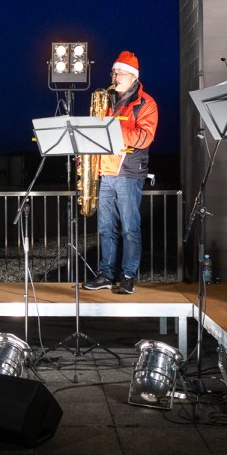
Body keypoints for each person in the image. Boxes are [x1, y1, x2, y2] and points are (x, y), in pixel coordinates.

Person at [83, 51, 158, 294]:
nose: (115, 77)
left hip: (128, 173)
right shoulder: (106, 102)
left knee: (129, 228)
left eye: (120, 73)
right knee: (105, 228)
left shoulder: (146, 103)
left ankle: (127, 275)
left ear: (133, 77)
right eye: (113, 72)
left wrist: (112, 128)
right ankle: (105, 273)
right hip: (105, 172)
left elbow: (145, 137)